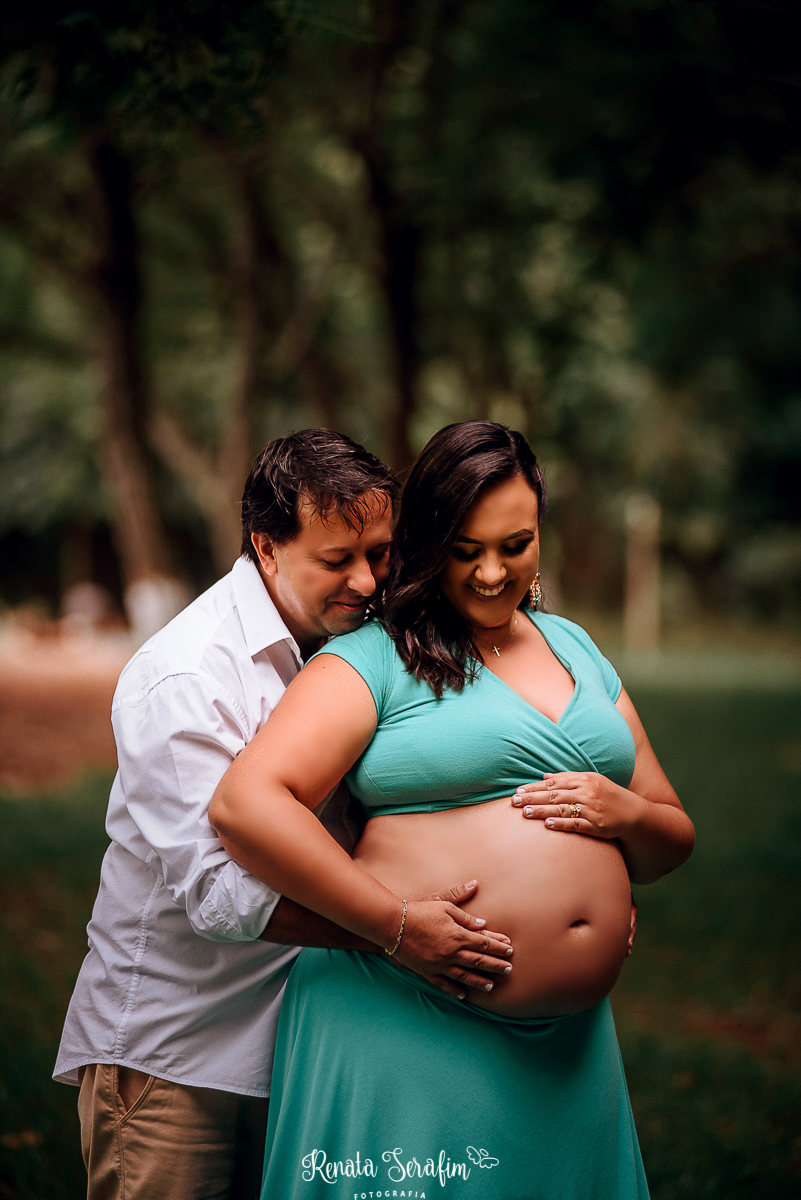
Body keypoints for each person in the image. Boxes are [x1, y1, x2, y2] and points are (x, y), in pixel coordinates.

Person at [210, 421, 695, 1200]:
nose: (494, 573)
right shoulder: (374, 657)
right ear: (428, 542)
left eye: (517, 544)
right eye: (466, 550)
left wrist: (622, 814)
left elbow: (671, 836)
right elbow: (246, 805)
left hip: (567, 1047)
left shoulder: (576, 648)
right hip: (406, 1020)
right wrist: (393, 925)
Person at [54, 428, 512, 1200]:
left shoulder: (365, 642)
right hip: (180, 1057)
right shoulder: (183, 677)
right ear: (266, 548)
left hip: (317, 1046)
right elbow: (217, 897)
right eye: (337, 560)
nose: (368, 582)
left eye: (379, 552)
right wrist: (396, 932)